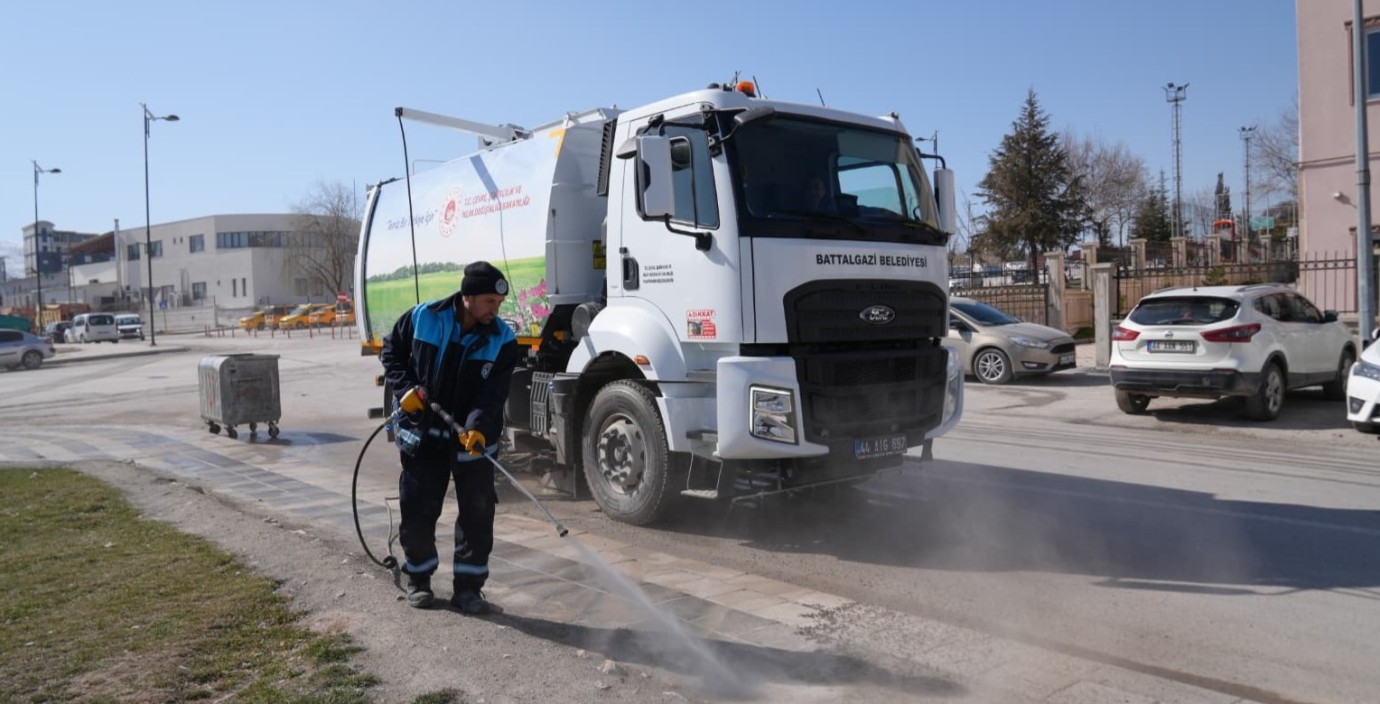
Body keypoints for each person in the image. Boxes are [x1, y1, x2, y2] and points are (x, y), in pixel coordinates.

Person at [379, 261, 521, 613]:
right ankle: (420, 580)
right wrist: (405, 389)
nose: (495, 310)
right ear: (467, 296)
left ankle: (469, 591)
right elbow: (391, 352)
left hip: (470, 439)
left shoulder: (502, 339)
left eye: (499, 304)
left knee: (477, 512)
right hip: (424, 435)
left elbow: (493, 395)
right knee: (418, 509)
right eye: (489, 301)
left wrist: (477, 427)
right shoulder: (424, 317)